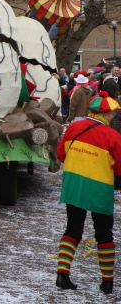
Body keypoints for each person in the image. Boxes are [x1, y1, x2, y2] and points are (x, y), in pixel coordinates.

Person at [56, 91, 121, 294]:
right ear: (106, 114)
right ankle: (107, 282)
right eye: (112, 114)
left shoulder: (73, 128)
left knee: (72, 230)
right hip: (100, 188)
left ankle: (62, 275)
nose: (113, 117)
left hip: (74, 184)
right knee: (104, 234)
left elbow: (61, 154)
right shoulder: (113, 136)